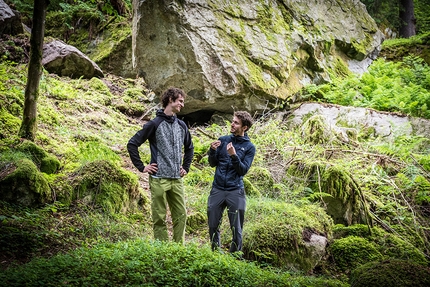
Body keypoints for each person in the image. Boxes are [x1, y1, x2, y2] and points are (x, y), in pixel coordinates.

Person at [127, 87, 194, 243]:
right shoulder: (154, 124)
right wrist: (142, 167)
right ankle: (162, 249)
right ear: (170, 100)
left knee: (181, 215)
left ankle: (178, 249)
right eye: (180, 101)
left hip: (177, 179)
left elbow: (190, 148)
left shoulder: (182, 126)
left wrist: (186, 167)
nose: (182, 105)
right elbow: (132, 144)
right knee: (159, 217)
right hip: (158, 179)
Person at [207, 111, 256, 253]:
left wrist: (234, 156)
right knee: (212, 224)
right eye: (232, 121)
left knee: (236, 226)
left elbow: (243, 170)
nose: (232, 124)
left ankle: (235, 255)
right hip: (217, 189)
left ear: (244, 127)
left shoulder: (249, 148)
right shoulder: (223, 140)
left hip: (235, 190)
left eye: (236, 123)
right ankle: (216, 252)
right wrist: (212, 150)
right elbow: (212, 163)